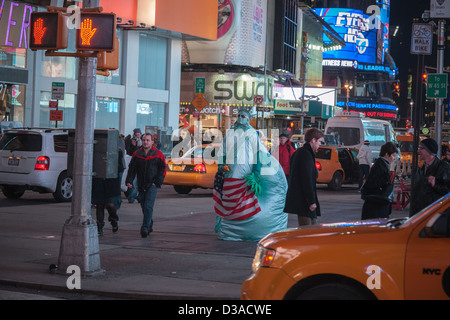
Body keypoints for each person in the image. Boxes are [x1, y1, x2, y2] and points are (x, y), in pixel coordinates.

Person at [214, 109, 288, 241]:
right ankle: (229, 231)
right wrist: (221, 165)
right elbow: (222, 151)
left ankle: (242, 230)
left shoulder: (252, 133)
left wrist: (259, 169)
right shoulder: (230, 133)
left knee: (244, 200)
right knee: (230, 198)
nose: (240, 118)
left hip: (245, 171)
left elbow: (259, 152)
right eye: (239, 116)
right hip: (230, 172)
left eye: (243, 116)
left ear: (248, 119)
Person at [126, 133, 166, 238]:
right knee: (143, 205)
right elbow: (132, 168)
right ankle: (149, 222)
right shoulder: (137, 154)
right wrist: (129, 180)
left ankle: (144, 227)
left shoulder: (159, 154)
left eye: (148, 140)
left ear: (152, 142)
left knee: (148, 205)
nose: (145, 142)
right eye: (144, 140)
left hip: (152, 184)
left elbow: (163, 169)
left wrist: (157, 182)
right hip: (141, 184)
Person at [284, 127, 324, 226]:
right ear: (313, 140)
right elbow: (307, 180)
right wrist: (311, 201)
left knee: (311, 229)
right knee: (308, 230)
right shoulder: (306, 155)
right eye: (319, 141)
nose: (320, 144)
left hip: (302, 200)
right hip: (305, 202)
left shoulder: (301, 152)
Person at [410, 138, 450, 216]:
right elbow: (415, 195)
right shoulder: (420, 170)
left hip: (436, 217)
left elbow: (447, 192)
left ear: (429, 151)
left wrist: (436, 184)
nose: (418, 151)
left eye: (421, 148)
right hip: (420, 218)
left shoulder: (444, 168)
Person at [91, 145, 125, 235]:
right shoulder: (96, 152)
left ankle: (113, 219)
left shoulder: (117, 152)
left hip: (111, 181)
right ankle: (100, 226)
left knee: (110, 204)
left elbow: (120, 168)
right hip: (99, 180)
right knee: (100, 204)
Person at [360, 142, 398, 220]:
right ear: (387, 154)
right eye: (393, 155)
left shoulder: (381, 164)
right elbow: (377, 185)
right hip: (376, 208)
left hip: (375, 206)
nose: (394, 158)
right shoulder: (380, 166)